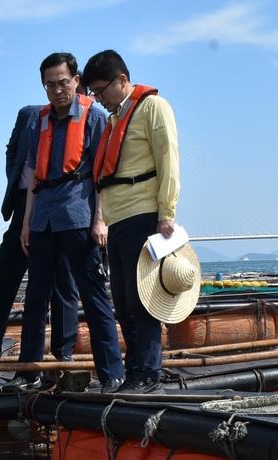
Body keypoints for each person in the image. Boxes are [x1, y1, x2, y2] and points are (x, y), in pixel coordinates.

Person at [9, 52, 124, 394]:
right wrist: (27, 223)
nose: (57, 90)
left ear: (76, 81)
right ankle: (28, 372)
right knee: (35, 297)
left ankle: (111, 374)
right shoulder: (39, 121)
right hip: (43, 216)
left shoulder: (95, 117)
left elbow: (104, 172)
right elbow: (32, 176)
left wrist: (100, 220)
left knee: (93, 296)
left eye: (62, 82)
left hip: (78, 213)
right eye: (49, 84)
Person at [83, 49, 180, 393]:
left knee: (144, 299)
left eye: (100, 91)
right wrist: (104, 219)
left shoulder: (153, 108)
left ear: (122, 81)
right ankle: (135, 369)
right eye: (92, 92)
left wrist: (166, 214)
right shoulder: (112, 121)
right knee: (123, 302)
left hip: (144, 213)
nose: (97, 99)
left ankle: (149, 372)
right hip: (118, 219)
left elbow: (168, 159)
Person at [0, 105, 81, 375]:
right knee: (4, 276)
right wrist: (17, 179)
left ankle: (63, 353)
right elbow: (12, 150)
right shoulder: (29, 115)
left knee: (62, 281)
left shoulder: (79, 119)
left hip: (60, 205)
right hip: (23, 204)